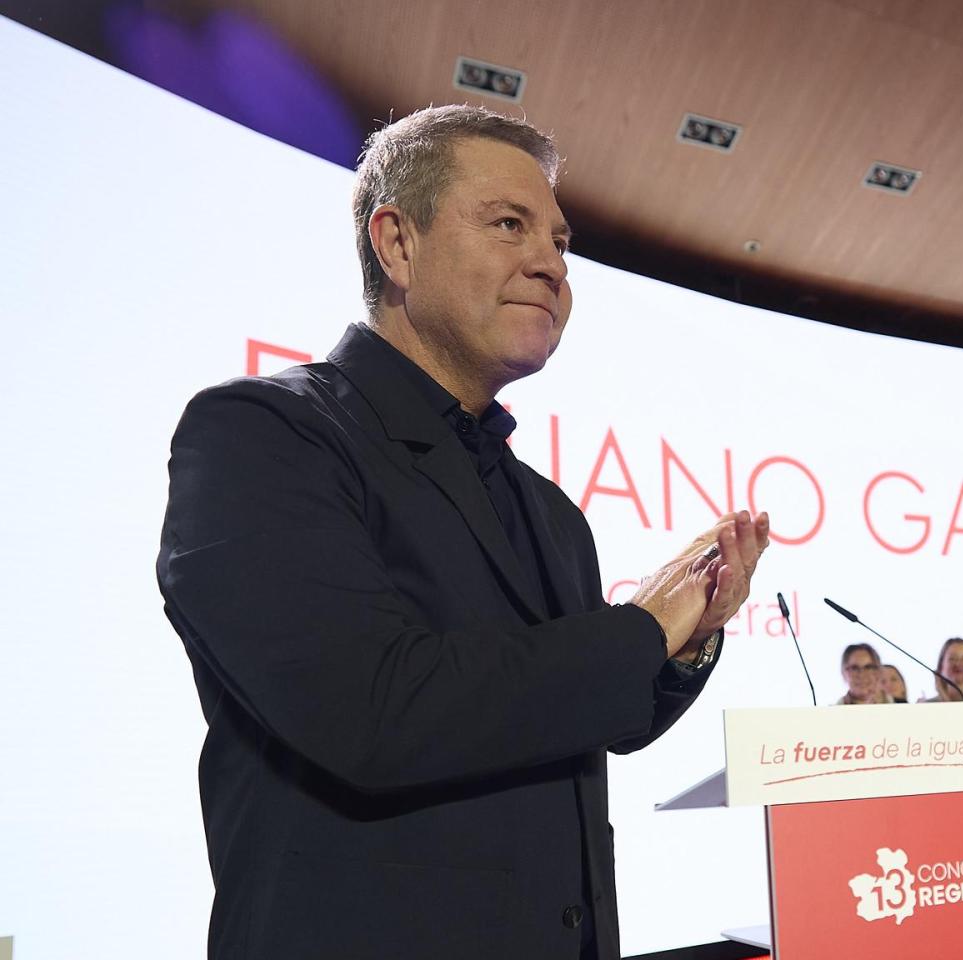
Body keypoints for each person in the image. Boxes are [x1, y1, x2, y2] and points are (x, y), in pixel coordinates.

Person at [156, 105, 770, 960]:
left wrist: (689, 635)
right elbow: (370, 710)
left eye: (560, 242)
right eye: (509, 224)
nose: (550, 265)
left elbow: (598, 717)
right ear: (397, 244)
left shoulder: (550, 508)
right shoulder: (260, 434)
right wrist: (640, 628)